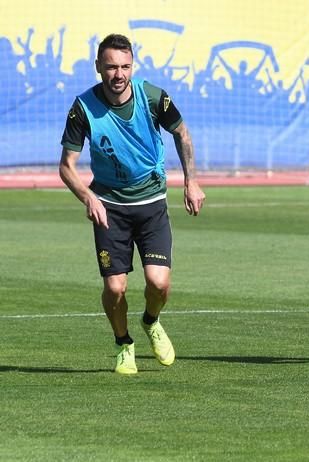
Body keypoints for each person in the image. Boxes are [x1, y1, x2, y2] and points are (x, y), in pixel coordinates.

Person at [59, 33, 206, 375]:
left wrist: (191, 180)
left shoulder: (153, 96)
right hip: (109, 208)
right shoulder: (83, 107)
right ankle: (123, 343)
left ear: (132, 66)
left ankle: (151, 322)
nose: (118, 74)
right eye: (111, 66)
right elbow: (67, 165)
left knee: (159, 284)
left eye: (125, 66)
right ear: (98, 67)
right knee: (115, 286)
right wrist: (88, 196)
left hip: (152, 204)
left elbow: (182, 133)